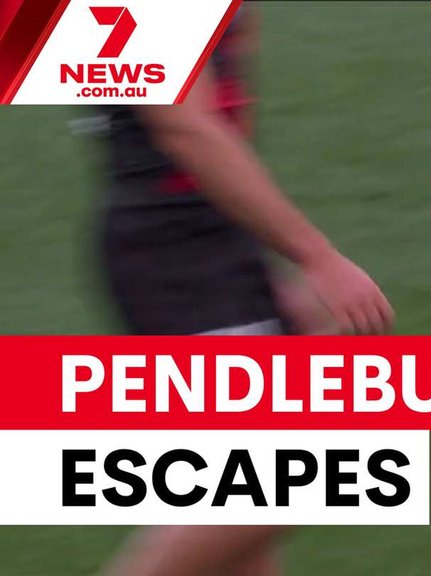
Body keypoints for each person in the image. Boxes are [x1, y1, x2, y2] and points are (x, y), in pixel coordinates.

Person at [92, 4, 393, 575]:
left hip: (210, 245)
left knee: (241, 540)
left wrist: (258, 259)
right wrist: (316, 256)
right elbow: (185, 125)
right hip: (173, 253)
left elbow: (225, 120)